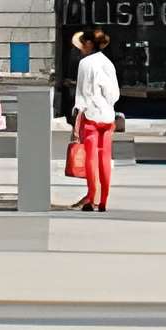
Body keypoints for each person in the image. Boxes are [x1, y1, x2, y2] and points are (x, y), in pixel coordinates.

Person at [69, 28, 119, 213]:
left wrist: (77, 119)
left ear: (89, 44)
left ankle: (92, 197)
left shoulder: (85, 63)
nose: (80, 48)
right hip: (107, 116)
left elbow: (81, 95)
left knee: (91, 157)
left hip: (90, 116)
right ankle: (104, 200)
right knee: (105, 157)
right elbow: (114, 95)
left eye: (82, 44)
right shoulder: (108, 64)